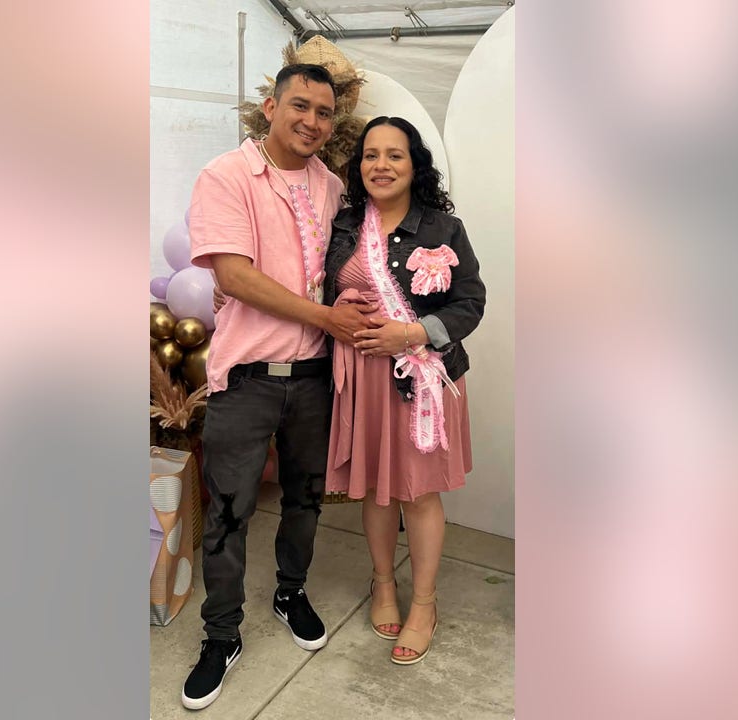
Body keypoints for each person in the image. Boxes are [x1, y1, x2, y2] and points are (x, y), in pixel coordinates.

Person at [180, 63, 377, 711]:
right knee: (228, 512)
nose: (311, 121)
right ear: (271, 107)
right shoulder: (227, 176)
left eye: (323, 112)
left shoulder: (332, 186)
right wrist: (324, 316)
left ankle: (291, 592)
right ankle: (222, 634)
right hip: (247, 380)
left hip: (317, 379)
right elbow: (234, 276)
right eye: (300, 106)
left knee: (305, 500)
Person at [321, 116, 485, 665]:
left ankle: (424, 603)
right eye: (371, 155)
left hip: (423, 380)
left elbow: (470, 303)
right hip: (363, 379)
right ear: (359, 164)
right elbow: (317, 288)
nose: (381, 165)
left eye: (395, 155)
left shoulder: (442, 228)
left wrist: (412, 333)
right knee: (374, 489)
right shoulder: (345, 225)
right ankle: (383, 583)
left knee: (418, 493)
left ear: (415, 165)